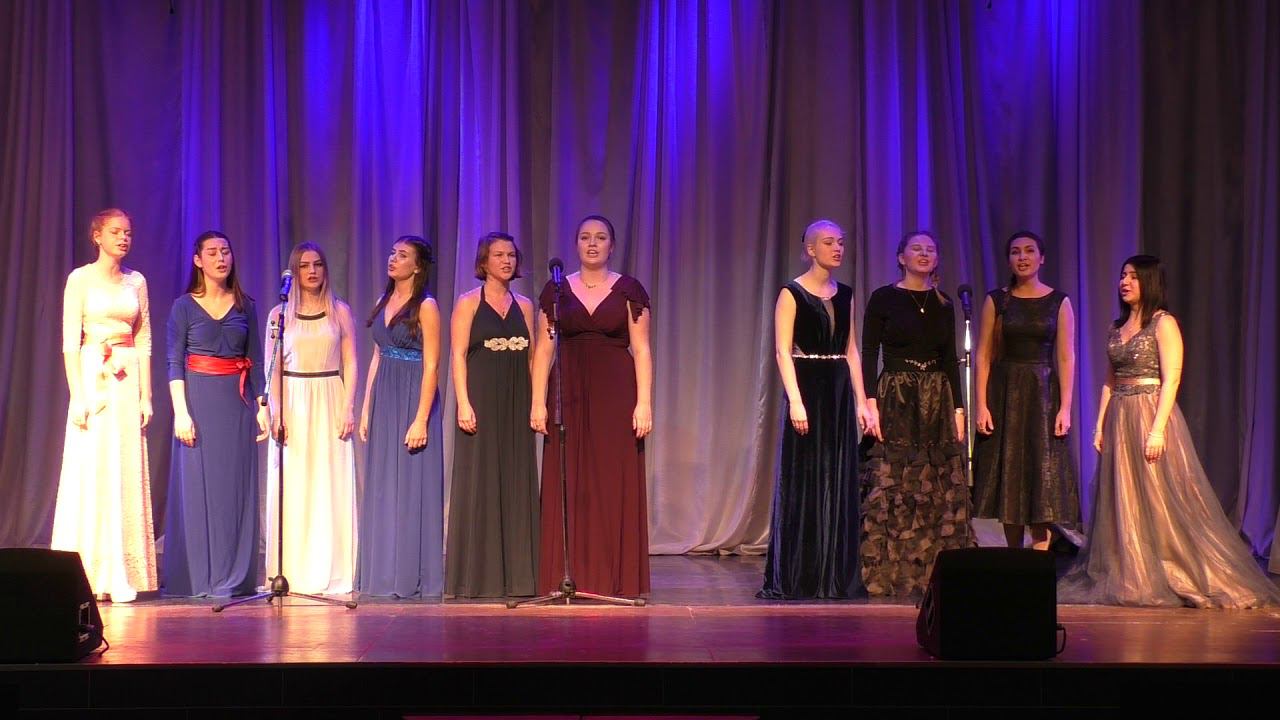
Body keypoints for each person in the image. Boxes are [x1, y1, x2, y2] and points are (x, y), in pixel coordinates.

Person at [1060, 255, 1280, 608]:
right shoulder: (1117, 327)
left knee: (1157, 495)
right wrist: (1099, 423)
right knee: (1124, 496)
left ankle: (1170, 567)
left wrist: (1158, 430)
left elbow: (1172, 377)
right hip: (1120, 415)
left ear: (1150, 281)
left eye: (1133, 276)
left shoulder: (1163, 323)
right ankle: (1131, 569)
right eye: (1123, 275)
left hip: (1149, 412)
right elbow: (1109, 380)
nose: (1124, 282)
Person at [530, 215, 652, 597]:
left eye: (600, 237)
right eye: (585, 237)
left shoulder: (629, 290)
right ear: (576, 245)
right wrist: (537, 403)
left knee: (611, 480)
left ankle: (613, 577)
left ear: (612, 246)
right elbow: (543, 350)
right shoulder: (557, 291)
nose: (592, 243)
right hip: (567, 391)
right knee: (568, 476)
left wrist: (644, 403)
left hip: (616, 392)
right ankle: (565, 574)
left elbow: (642, 350)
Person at [758, 220, 872, 600]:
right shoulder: (791, 293)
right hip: (806, 386)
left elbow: (851, 350)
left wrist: (861, 401)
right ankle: (800, 575)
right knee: (804, 480)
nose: (837, 248)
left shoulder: (846, 294)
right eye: (828, 242)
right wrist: (795, 400)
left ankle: (834, 576)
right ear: (810, 249)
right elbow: (782, 350)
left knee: (837, 480)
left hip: (837, 391)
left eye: (840, 242)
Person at [52, 208, 157, 602]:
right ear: (97, 235)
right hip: (94, 373)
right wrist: (77, 394)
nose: (123, 238)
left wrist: (147, 395)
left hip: (127, 378)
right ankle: (90, 571)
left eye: (128, 232)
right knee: (93, 466)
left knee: (123, 465)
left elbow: (144, 339)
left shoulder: (137, 281)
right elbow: (69, 341)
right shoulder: (79, 279)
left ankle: (122, 572)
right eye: (115, 232)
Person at [859, 231, 973, 598]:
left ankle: (933, 568)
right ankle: (891, 568)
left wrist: (959, 408)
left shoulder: (944, 303)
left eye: (930, 249)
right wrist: (869, 400)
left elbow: (950, 359)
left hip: (936, 396)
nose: (924, 254)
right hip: (896, 393)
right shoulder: (884, 298)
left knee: (935, 482)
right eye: (916, 248)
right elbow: (868, 351)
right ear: (901, 257)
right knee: (894, 479)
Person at [165, 231, 269, 598]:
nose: (221, 258)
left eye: (225, 251)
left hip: (236, 405)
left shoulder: (245, 306)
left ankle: (234, 575)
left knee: (234, 489)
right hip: (198, 401)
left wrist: (262, 406)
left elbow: (256, 360)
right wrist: (181, 412)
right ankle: (200, 576)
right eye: (212, 252)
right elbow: (174, 362)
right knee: (198, 488)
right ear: (198, 260)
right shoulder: (183, 307)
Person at [445, 232, 539, 599]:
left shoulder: (525, 305)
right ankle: (478, 577)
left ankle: (519, 577)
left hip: (517, 401)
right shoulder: (468, 303)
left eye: (511, 255)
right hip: (481, 400)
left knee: (516, 480)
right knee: (481, 481)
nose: (506, 261)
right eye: (498, 255)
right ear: (483, 261)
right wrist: (463, 402)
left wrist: (536, 402)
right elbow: (457, 355)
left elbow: (532, 358)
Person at [973, 231, 1079, 549]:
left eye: (1029, 251)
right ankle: (1014, 558)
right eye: (1016, 252)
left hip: (1042, 395)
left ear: (1041, 258)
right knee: (1010, 475)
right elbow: (983, 355)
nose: (1022, 257)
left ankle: (1039, 560)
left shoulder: (1059, 301)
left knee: (1040, 475)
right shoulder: (996, 300)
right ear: (1009, 260)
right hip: (1004, 394)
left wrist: (1065, 408)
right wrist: (981, 405)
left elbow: (1066, 357)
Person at [264, 242, 358, 595]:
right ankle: (291, 570)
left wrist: (348, 406)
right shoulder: (279, 315)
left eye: (318, 264)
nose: (312, 271)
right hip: (293, 400)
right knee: (296, 485)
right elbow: (273, 367)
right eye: (304, 266)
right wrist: (277, 410)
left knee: (327, 484)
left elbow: (350, 361)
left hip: (329, 396)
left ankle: (330, 569)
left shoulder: (340, 312)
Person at [356, 235, 443, 598]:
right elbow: (378, 355)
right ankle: (383, 572)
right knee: (383, 486)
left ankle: (411, 575)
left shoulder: (427, 306)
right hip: (385, 397)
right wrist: (366, 407)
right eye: (392, 252)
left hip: (412, 396)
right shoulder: (383, 300)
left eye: (402, 255)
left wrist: (421, 418)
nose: (393, 259)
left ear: (418, 266)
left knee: (410, 485)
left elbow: (432, 365)